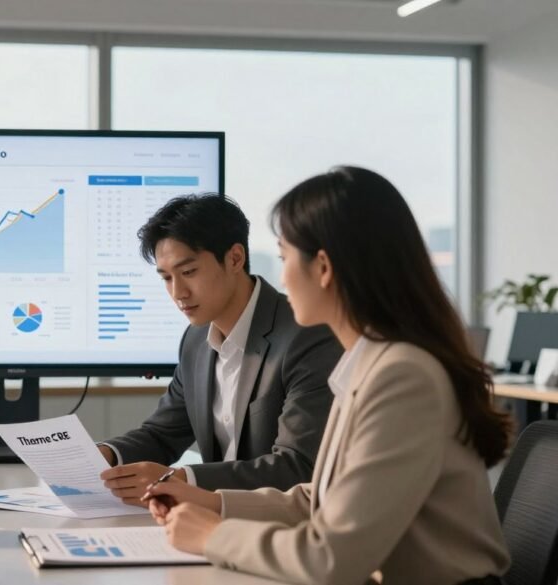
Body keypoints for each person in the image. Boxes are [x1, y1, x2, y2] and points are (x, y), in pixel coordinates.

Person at [146, 167, 511, 584]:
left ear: (323, 267)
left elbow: (330, 558)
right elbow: (321, 500)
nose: (279, 277)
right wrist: (213, 503)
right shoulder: (372, 363)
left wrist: (214, 536)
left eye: (284, 258)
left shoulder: (403, 377)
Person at [99, 194, 342, 504]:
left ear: (235, 259)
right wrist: (103, 456)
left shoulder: (305, 335)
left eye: (188, 272)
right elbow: (162, 434)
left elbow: (298, 467)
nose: (178, 293)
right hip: (212, 520)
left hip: (278, 527)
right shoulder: (195, 340)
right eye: (166, 278)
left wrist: (183, 479)